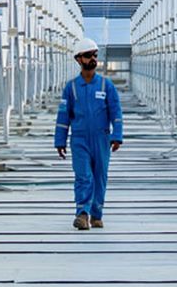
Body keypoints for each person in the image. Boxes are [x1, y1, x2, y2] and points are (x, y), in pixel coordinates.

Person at [54, 35, 123, 230]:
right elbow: (63, 116)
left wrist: (117, 136)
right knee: (83, 175)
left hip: (102, 138)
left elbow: (115, 112)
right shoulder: (71, 88)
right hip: (80, 139)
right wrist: (60, 140)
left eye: (94, 55)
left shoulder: (106, 85)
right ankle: (82, 213)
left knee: (100, 175)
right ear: (78, 59)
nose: (92, 59)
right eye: (87, 55)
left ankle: (97, 214)